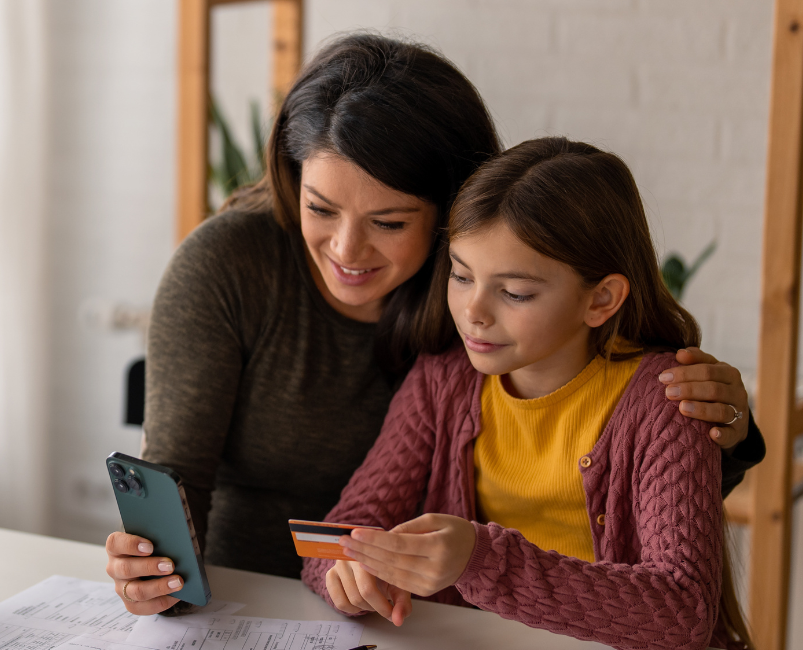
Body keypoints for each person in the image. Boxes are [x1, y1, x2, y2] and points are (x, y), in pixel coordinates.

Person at [104, 33, 764, 616]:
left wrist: (728, 430)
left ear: (454, 212)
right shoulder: (235, 267)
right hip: (269, 598)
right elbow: (177, 484)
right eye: (320, 208)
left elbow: (654, 529)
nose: (346, 250)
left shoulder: (483, 307)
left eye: (389, 223)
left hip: (443, 615)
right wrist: (155, 576)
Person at [305, 137, 747, 650]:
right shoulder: (444, 380)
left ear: (601, 299)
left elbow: (681, 612)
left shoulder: (667, 401)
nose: (474, 311)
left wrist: (481, 560)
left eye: (515, 293)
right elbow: (337, 535)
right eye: (462, 275)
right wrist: (347, 576)